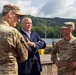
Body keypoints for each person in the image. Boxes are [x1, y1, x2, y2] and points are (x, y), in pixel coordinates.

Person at [0, 4, 28, 75]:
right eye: (18, 17)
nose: (19, 20)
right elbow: (24, 56)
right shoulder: (13, 32)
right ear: (10, 14)